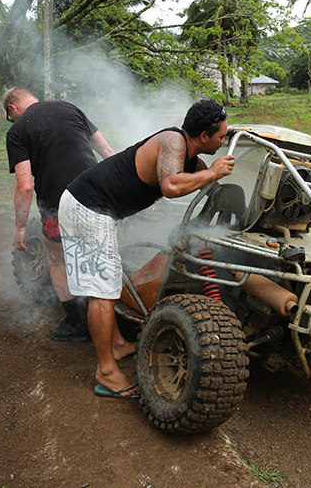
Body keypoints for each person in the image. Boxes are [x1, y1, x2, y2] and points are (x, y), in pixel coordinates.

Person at [58, 98, 234, 398]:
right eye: (221, 136)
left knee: (109, 282)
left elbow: (208, 188)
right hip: (86, 207)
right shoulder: (173, 141)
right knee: (103, 289)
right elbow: (171, 186)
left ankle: (117, 344)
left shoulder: (192, 157)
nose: (224, 141)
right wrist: (214, 173)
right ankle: (106, 372)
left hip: (101, 210)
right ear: (204, 136)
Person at [4, 87, 125, 348]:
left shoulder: (17, 131)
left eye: (9, 116)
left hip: (58, 204)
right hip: (98, 193)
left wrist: (20, 227)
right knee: (104, 254)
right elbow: (107, 152)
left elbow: (25, 186)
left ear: (12, 108)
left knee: (56, 259)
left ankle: (75, 323)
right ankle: (116, 316)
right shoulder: (69, 108)